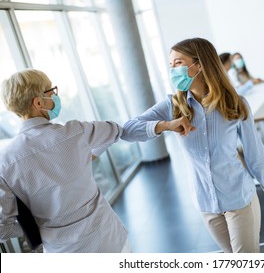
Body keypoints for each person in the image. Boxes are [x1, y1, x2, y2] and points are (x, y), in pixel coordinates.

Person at [121, 38, 264, 253]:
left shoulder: (235, 103)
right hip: (206, 203)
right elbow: (127, 130)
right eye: (171, 65)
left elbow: (255, 154)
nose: (173, 70)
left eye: (178, 63)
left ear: (199, 64)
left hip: (239, 198)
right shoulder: (173, 106)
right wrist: (166, 125)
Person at [0, 69, 189, 253]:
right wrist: (86, 155)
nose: (56, 96)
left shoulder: (4, 162)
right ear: (39, 102)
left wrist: (38, 226)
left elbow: (3, 229)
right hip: (108, 240)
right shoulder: (75, 132)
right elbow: (115, 131)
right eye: (51, 91)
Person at [220, 52, 264, 133]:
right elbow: (237, 91)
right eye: (232, 60)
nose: (233, 63)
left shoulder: (231, 73)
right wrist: (251, 83)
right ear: (226, 62)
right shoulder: (230, 74)